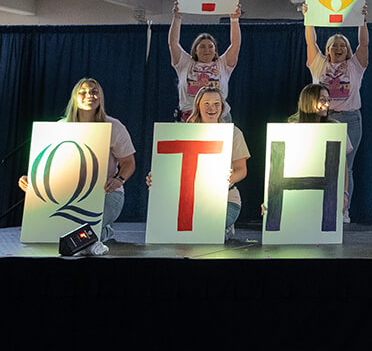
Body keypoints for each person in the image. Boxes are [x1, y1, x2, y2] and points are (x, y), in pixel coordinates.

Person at [17, 78, 135, 246]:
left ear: (100, 97)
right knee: (62, 236)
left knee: (82, 238)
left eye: (94, 92)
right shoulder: (60, 127)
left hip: (106, 194)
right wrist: (31, 180)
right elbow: (48, 166)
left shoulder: (114, 126)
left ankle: (103, 231)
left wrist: (118, 180)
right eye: (83, 92)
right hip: (67, 195)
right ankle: (101, 232)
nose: (90, 95)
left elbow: (129, 162)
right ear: (75, 98)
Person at [145, 86, 248, 237]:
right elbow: (171, 168)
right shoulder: (183, 132)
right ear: (198, 106)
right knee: (177, 236)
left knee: (207, 232)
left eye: (216, 104)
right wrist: (157, 177)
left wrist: (227, 179)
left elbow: (241, 170)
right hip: (188, 202)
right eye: (206, 103)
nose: (211, 108)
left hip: (225, 199)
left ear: (222, 107)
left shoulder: (234, 133)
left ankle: (224, 228)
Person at [303, 3, 369, 224]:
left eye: (342, 45)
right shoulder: (318, 65)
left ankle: (343, 210)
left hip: (350, 120)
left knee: (345, 167)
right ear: (328, 50)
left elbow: (364, 43)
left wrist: (362, 19)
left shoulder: (355, 66)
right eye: (333, 45)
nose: (338, 48)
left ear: (347, 50)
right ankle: (320, 208)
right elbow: (310, 42)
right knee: (321, 165)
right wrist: (308, 17)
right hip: (322, 121)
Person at [169, 1, 242, 121]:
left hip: (219, 118)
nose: (206, 50)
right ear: (195, 50)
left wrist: (234, 20)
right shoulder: (185, 63)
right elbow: (173, 43)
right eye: (202, 46)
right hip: (190, 118)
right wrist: (177, 17)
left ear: (215, 50)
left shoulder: (222, 64)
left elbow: (235, 45)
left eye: (210, 46)